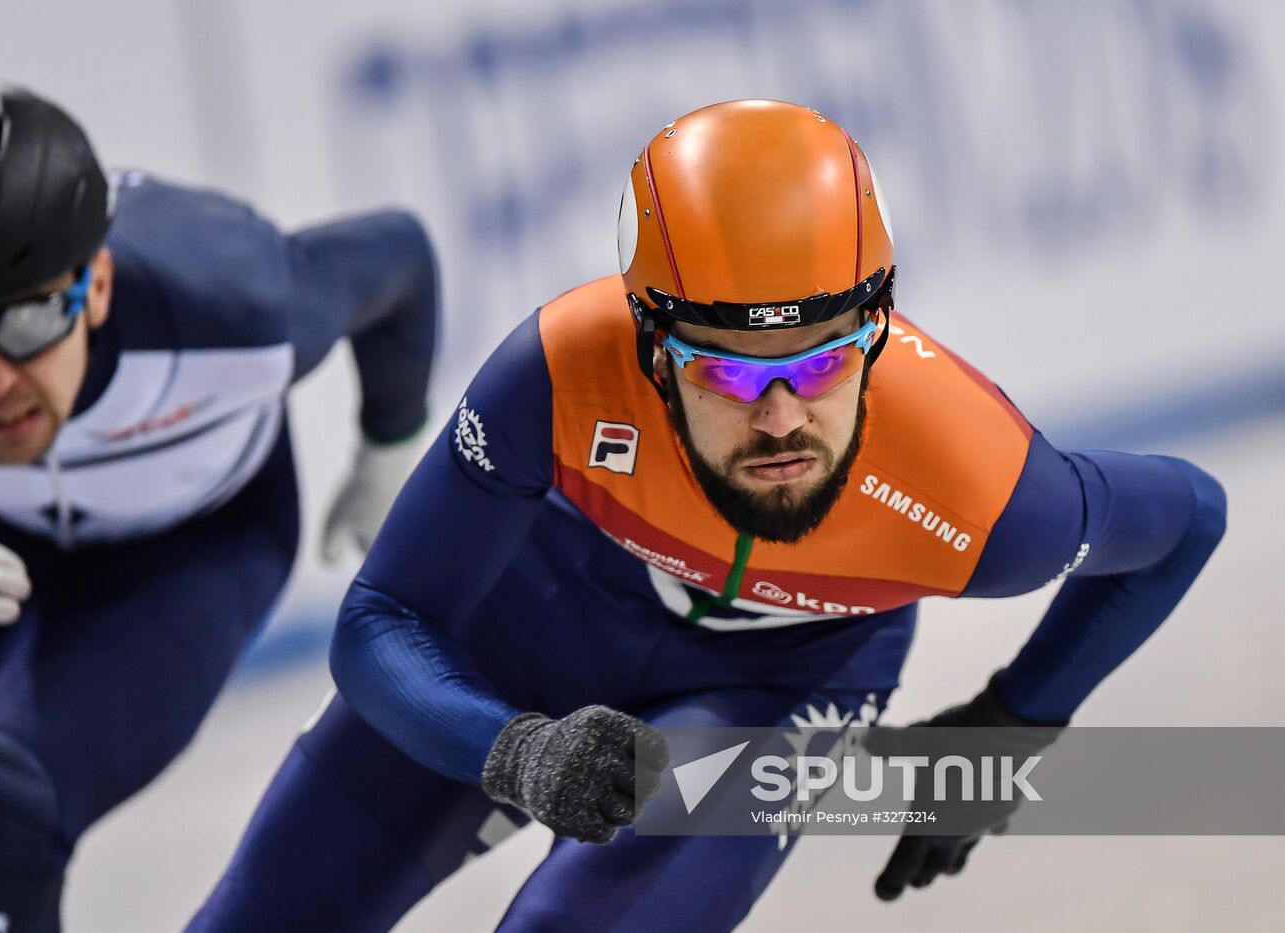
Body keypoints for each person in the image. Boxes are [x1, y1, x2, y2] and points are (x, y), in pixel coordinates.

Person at [189, 99, 1227, 931]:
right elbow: (379, 624)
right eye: (723, 372)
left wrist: (1013, 720)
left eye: (821, 361)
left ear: (875, 331)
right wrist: (515, 754)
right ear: (648, 345)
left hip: (775, 684)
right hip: (533, 623)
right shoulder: (557, 370)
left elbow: (1189, 520)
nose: (779, 420)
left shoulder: (990, 493)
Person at [0, 80, 439, 932]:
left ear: (96, 286)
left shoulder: (237, 303)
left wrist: (390, 443)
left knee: (3, 806)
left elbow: (399, 258)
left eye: (30, 321)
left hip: (188, 540)